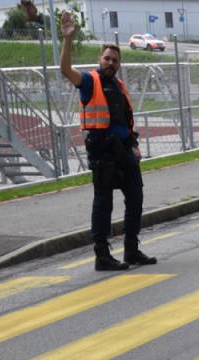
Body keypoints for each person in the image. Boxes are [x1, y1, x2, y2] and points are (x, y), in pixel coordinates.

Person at [59, 11, 156, 271]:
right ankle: (102, 255)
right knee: (103, 203)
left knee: (135, 198)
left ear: (119, 63)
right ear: (99, 59)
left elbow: (125, 122)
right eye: (107, 58)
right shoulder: (90, 81)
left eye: (115, 60)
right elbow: (65, 70)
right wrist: (68, 40)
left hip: (124, 151)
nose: (111, 62)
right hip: (103, 152)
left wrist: (134, 146)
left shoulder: (119, 86)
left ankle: (131, 250)